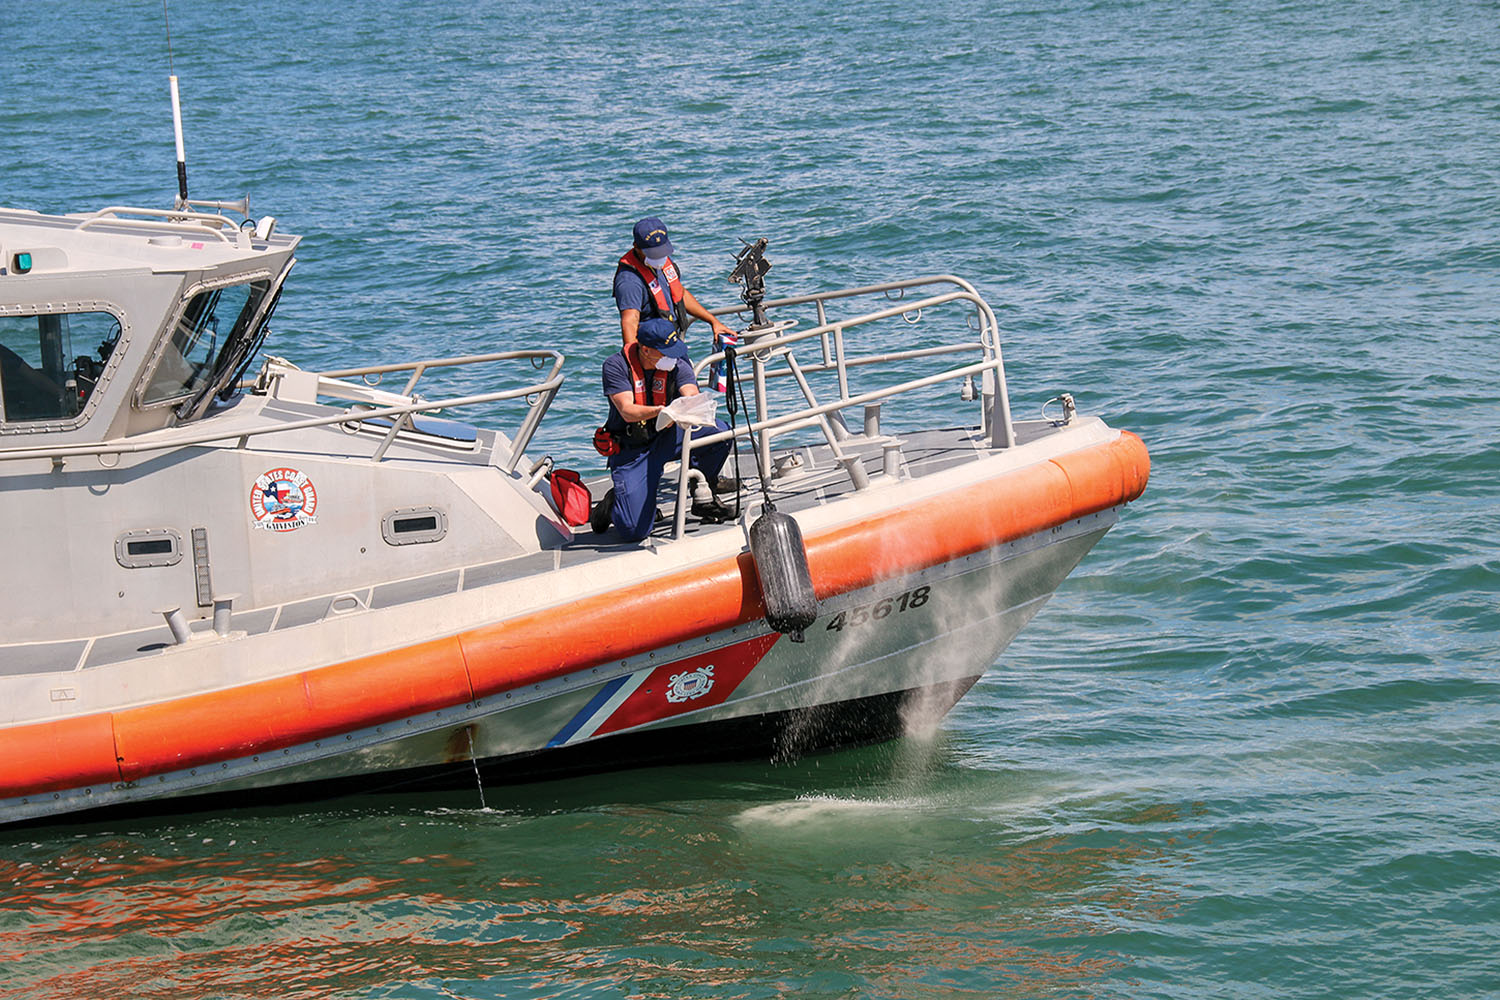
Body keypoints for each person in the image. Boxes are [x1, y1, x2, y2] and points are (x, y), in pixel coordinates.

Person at [592, 323, 733, 541]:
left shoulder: (677, 361)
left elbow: (691, 392)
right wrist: (661, 411)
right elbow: (628, 410)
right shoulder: (615, 365)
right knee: (634, 530)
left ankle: (703, 491)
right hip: (633, 448)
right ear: (645, 349)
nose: (672, 357)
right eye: (665, 353)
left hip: (668, 436)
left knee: (720, 434)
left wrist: (690, 407)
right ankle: (613, 504)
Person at [614, 216, 736, 350]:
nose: (659, 258)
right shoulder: (629, 281)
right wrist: (633, 363)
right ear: (636, 247)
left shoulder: (663, 263)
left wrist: (713, 321)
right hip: (651, 351)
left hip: (672, 342)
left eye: (661, 251)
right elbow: (629, 321)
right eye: (653, 254)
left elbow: (679, 293)